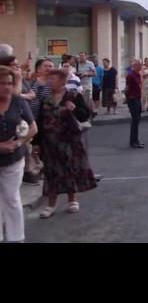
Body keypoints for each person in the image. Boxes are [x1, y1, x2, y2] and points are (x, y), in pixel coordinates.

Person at [37, 69, 97, 218]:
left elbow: (85, 115)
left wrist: (75, 109)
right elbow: (39, 121)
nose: (50, 82)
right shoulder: (46, 99)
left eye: (53, 79)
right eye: (49, 79)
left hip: (70, 141)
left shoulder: (73, 96)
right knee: (51, 173)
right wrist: (36, 143)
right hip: (50, 142)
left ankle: (72, 200)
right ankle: (51, 205)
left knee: (70, 169)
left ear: (63, 82)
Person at [0, 65, 38, 242]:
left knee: (11, 197)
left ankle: (16, 238)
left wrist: (18, 143)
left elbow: (33, 128)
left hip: (13, 158)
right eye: (1, 83)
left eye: (9, 83)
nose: (6, 87)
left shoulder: (18, 101)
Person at [124, 59, 144, 149]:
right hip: (132, 99)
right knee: (135, 120)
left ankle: (136, 140)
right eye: (139, 65)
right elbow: (127, 88)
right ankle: (133, 142)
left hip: (137, 98)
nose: (141, 66)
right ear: (135, 66)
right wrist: (127, 98)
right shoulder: (130, 76)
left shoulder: (138, 75)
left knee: (137, 120)